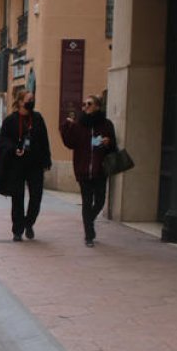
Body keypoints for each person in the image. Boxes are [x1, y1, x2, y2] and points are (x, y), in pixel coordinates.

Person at [60, 95, 118, 246]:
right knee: (87, 202)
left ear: (97, 106)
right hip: (83, 170)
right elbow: (69, 143)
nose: (85, 107)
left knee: (100, 201)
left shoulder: (106, 124)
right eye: (84, 104)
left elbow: (113, 147)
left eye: (89, 104)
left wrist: (108, 142)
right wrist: (66, 126)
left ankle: (88, 220)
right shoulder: (79, 124)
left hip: (100, 170)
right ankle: (89, 235)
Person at [0, 91, 52, 241]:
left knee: (36, 196)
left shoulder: (38, 118)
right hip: (17, 164)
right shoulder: (10, 120)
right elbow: (3, 140)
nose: (31, 102)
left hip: (35, 164)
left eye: (33, 99)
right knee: (18, 197)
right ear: (20, 102)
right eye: (29, 99)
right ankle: (17, 229)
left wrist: (47, 159)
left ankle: (29, 222)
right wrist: (14, 148)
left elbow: (44, 140)